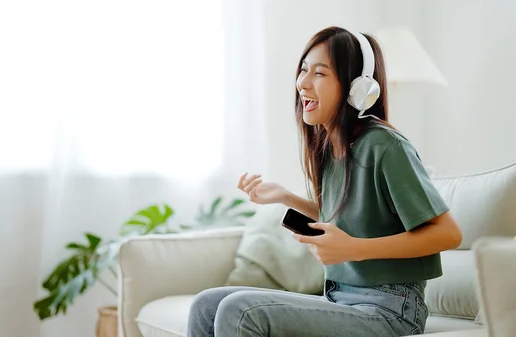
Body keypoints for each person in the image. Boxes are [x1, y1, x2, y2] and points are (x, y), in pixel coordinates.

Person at [186, 26, 462, 337]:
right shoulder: (333, 150)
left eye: (319, 73)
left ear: (356, 86)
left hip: (391, 308)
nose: (302, 83)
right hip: (340, 297)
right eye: (303, 70)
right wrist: (285, 197)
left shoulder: (385, 146)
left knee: (241, 310)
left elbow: (448, 234)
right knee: (207, 304)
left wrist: (355, 249)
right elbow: (345, 219)